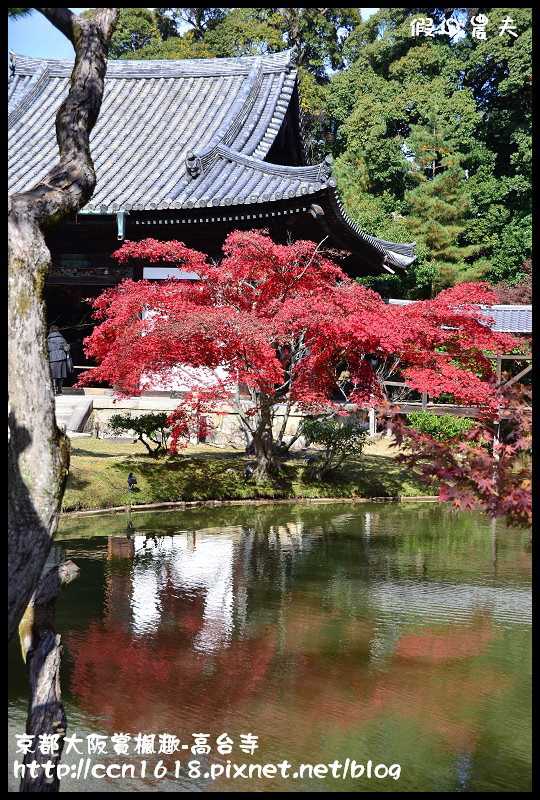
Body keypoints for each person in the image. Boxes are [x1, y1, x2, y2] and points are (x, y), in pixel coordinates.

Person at [47, 324, 70, 395]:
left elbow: (46, 350)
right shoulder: (62, 339)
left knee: (54, 376)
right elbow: (67, 349)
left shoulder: (48, 340)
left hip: (52, 359)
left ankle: (54, 391)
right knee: (61, 376)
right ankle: (59, 391)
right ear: (57, 331)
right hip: (62, 358)